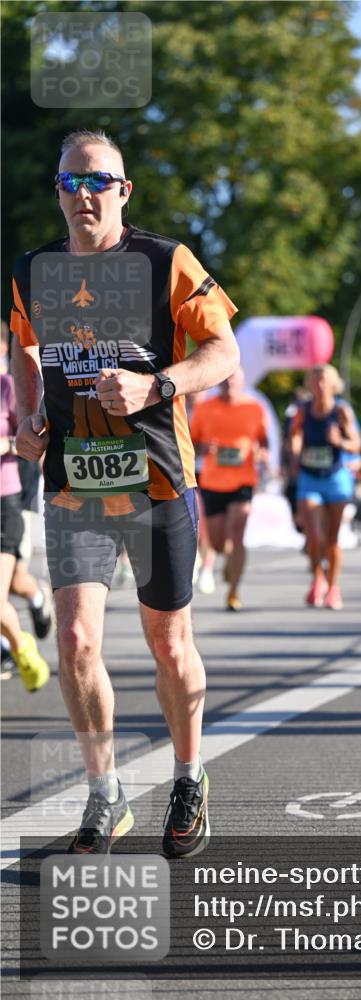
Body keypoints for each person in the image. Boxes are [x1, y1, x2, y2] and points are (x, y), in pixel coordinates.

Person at [11, 129, 240, 856]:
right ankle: (104, 796)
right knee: (76, 640)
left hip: (157, 479)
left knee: (168, 644)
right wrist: (26, 415)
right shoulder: (32, 270)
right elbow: (23, 345)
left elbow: (224, 351)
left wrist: (157, 383)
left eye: (97, 182)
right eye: (71, 184)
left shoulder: (162, 261)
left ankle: (188, 775)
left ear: (123, 190)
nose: (84, 195)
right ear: (57, 192)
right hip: (74, 481)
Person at [189, 368, 269, 611]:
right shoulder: (205, 408)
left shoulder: (254, 408)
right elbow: (191, 442)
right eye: (224, 379)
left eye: (233, 378)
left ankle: (233, 592)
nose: (229, 382)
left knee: (238, 531)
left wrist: (261, 453)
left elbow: (264, 443)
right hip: (213, 482)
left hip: (243, 480)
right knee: (218, 542)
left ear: (242, 382)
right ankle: (227, 562)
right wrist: (203, 449)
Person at [288, 364, 361, 609]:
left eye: (324, 381)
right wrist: (296, 451)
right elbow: (294, 435)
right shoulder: (303, 410)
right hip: (309, 477)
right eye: (316, 380)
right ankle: (317, 578)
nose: (320, 385)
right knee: (313, 537)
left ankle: (333, 587)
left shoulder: (341, 410)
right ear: (310, 384)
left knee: (331, 539)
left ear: (333, 384)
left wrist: (339, 440)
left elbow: (356, 444)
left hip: (335, 478)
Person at [1, 368, 50, 690]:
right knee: (14, 583)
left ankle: (16, 649)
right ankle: (17, 642)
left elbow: (37, 438)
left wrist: (5, 442)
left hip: (5, 501)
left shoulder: (7, 386)